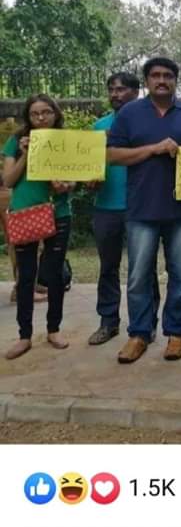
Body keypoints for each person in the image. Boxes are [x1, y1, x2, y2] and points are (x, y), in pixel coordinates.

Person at [107, 57, 181, 364]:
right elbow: (112, 155)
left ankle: (176, 335)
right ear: (147, 81)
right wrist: (153, 148)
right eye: (155, 75)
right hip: (141, 210)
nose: (161, 80)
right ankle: (139, 334)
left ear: (176, 80)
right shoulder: (129, 113)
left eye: (167, 75)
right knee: (138, 277)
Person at [87, 72, 161, 345]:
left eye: (121, 89)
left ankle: (148, 322)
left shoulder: (149, 124)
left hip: (141, 207)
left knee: (144, 268)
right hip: (106, 206)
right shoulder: (98, 127)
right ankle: (108, 322)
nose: (116, 95)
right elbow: (88, 169)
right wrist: (89, 181)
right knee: (108, 267)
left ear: (136, 91)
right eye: (112, 90)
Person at [3, 95, 75, 359]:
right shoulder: (16, 141)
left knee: (54, 274)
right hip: (26, 214)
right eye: (35, 113)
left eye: (47, 112)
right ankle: (24, 336)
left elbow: (73, 179)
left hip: (58, 213)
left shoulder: (65, 142)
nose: (41, 117)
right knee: (26, 276)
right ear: (27, 117)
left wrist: (66, 185)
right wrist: (24, 154)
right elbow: (8, 180)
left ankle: (54, 329)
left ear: (56, 114)